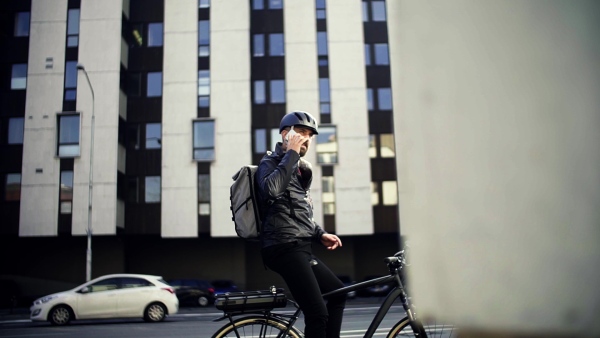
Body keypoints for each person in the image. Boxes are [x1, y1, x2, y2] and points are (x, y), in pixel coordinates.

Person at [256, 111, 346, 338]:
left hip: (301, 246)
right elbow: (272, 190)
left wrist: (320, 234)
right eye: (301, 133)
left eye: (310, 135)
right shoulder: (270, 162)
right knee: (317, 313)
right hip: (282, 246)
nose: (306, 138)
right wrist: (292, 153)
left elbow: (300, 213)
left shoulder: (301, 170)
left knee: (338, 293)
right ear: (286, 134)